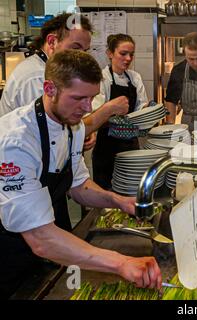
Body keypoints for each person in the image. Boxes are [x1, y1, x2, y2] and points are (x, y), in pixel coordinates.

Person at [0, 50, 162, 299]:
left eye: (92, 98)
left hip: (41, 251)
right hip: (8, 253)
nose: (87, 108)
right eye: (79, 98)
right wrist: (121, 262)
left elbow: (78, 185)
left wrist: (116, 200)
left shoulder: (72, 126)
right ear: (49, 88)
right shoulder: (17, 141)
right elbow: (40, 238)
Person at [0, 13, 130, 151]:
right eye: (75, 48)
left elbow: (67, 127)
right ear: (52, 41)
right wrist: (106, 111)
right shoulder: (36, 77)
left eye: (85, 51)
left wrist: (86, 131)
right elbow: (51, 134)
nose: (81, 57)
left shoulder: (55, 70)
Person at [92, 34, 148, 190]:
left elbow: (140, 108)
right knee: (106, 193)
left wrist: (149, 111)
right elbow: (95, 115)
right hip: (107, 148)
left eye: (131, 54)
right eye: (123, 54)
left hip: (130, 144)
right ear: (110, 53)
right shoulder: (102, 79)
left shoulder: (135, 78)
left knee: (130, 189)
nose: (128, 58)